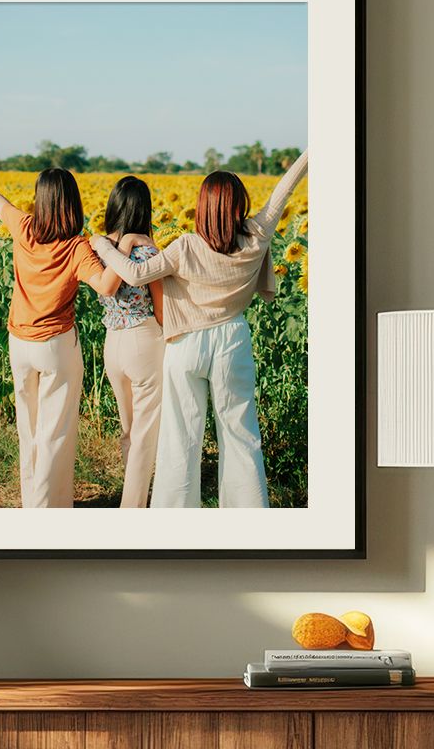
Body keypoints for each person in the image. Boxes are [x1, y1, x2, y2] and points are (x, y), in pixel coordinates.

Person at [90, 152, 308, 508]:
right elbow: (285, 188)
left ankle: (175, 525)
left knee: (181, 437)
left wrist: (102, 244)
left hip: (186, 343)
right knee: (240, 433)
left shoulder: (186, 246)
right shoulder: (256, 236)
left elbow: (134, 275)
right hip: (232, 340)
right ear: (241, 205)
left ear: (201, 207)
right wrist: (313, 150)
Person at [0, 167, 122, 508]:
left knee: (29, 429)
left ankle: (31, 504)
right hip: (55, 346)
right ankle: (48, 510)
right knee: (55, 433)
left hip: (19, 343)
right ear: (73, 202)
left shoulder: (23, 228)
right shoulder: (76, 248)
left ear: (40, 200)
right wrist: (113, 248)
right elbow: (107, 287)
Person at [95, 177, 166, 508]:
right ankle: (133, 509)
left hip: (113, 343)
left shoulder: (99, 248)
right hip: (144, 341)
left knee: (129, 428)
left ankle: (132, 495)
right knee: (145, 434)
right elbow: (163, 309)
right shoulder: (148, 250)